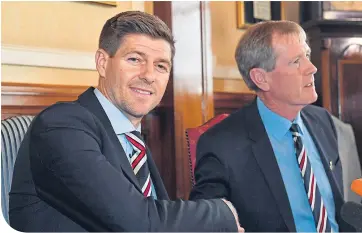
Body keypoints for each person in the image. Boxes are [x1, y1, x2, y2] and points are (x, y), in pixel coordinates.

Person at [9, 11, 243, 232]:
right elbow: (138, 223)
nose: (149, 75)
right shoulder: (61, 125)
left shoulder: (130, 137)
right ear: (102, 62)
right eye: (134, 59)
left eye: (161, 66)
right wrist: (223, 212)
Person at [190, 20, 355, 232]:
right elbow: (205, 222)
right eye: (296, 61)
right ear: (261, 78)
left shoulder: (323, 121)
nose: (312, 68)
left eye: (307, 55)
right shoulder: (222, 144)